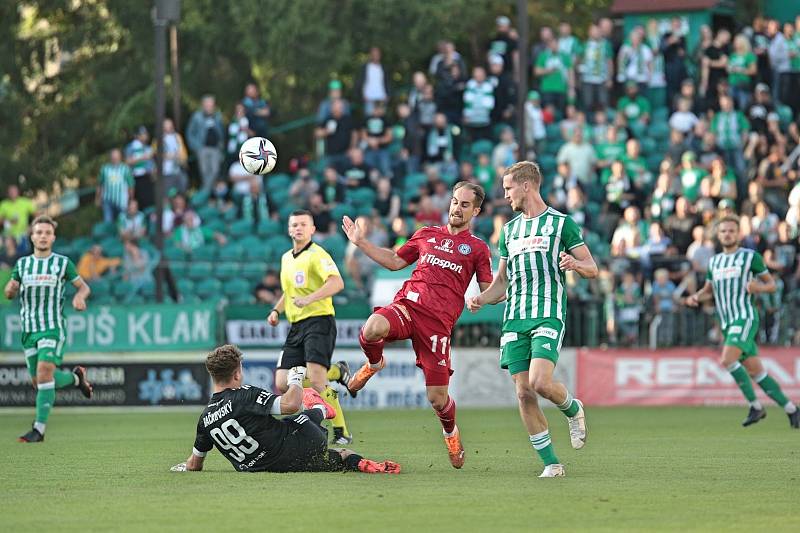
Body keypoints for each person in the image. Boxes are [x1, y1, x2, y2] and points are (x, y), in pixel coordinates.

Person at [342, 182, 494, 469]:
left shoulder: (478, 249)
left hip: (437, 325)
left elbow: (489, 288)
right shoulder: (426, 234)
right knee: (372, 327)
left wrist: (483, 299)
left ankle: (451, 433)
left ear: (476, 211)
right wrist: (361, 242)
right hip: (408, 306)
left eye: (464, 205)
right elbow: (395, 261)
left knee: (437, 399)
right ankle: (374, 364)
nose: (456, 209)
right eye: (454, 202)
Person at [466, 161, 598, 477]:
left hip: (548, 314)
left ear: (527, 186)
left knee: (540, 382)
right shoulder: (509, 231)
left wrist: (575, 265)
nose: (505, 195)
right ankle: (552, 463)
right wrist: (481, 299)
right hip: (515, 319)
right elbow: (502, 282)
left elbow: (592, 267)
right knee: (524, 393)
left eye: (509, 188)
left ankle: (573, 409)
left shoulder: (561, 224)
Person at [170, 344, 399, 474]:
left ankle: (360, 462)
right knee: (298, 417)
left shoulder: (205, 419)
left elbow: (194, 464)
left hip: (266, 467)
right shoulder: (245, 394)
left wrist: (183, 467)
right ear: (237, 373)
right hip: (300, 445)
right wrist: (296, 379)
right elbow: (289, 405)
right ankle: (320, 407)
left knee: (336, 457)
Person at [686, 216, 799, 429]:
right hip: (728, 322)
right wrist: (696, 297)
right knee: (757, 372)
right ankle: (792, 409)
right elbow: (708, 291)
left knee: (727, 359)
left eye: (731, 230)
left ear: (738, 234)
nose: (727, 234)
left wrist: (759, 288)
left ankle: (755, 406)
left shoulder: (750, 257)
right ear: (718, 235)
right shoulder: (715, 262)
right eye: (723, 231)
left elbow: (772, 285)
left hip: (745, 317)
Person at [3, 215, 93, 442]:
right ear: (32, 236)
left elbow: (83, 288)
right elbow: (9, 292)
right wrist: (11, 289)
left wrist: (80, 298)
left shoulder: (62, 263)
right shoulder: (22, 265)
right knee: (39, 381)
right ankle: (76, 378)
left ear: (53, 237)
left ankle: (39, 429)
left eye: (47, 233)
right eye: (38, 232)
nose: (43, 236)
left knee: (44, 373)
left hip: (52, 327)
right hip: (29, 330)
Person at [267, 210, 354, 445]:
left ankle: (341, 431)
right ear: (288, 229)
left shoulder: (317, 254)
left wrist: (310, 299)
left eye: (303, 224)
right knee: (283, 382)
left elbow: (337, 282)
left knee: (317, 381)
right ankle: (336, 372)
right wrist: (276, 310)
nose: (298, 228)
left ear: (312, 229)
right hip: (296, 326)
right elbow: (289, 293)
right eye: (294, 224)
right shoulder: (286, 258)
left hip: (319, 319)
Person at [95, 148, 134, 224]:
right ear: (110, 158)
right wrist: (97, 198)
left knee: (123, 222)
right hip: (107, 200)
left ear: (120, 157)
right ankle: (108, 235)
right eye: (113, 157)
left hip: (122, 201)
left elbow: (131, 185)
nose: (115, 159)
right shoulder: (104, 169)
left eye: (116, 157)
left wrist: (131, 200)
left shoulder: (125, 169)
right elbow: (100, 184)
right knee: (108, 222)